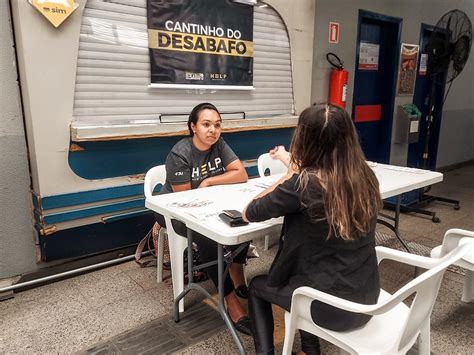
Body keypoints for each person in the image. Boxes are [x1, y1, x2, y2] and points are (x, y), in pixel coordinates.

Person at [242, 103, 383, 354]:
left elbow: (251, 211)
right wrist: (293, 167)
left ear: (304, 140)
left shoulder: (303, 184)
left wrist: (290, 173)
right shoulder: (365, 177)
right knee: (310, 276)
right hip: (367, 299)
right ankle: (310, 350)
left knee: (256, 287)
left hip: (329, 308)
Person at [154, 102, 253, 336]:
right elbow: (187, 200)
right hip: (172, 210)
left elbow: (241, 174)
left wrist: (209, 181)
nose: (213, 130)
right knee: (210, 237)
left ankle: (237, 274)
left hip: (207, 202)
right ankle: (231, 301)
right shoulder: (180, 153)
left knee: (244, 219)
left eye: (217, 125)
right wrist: (214, 184)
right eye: (206, 124)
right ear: (193, 127)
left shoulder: (219, 144)